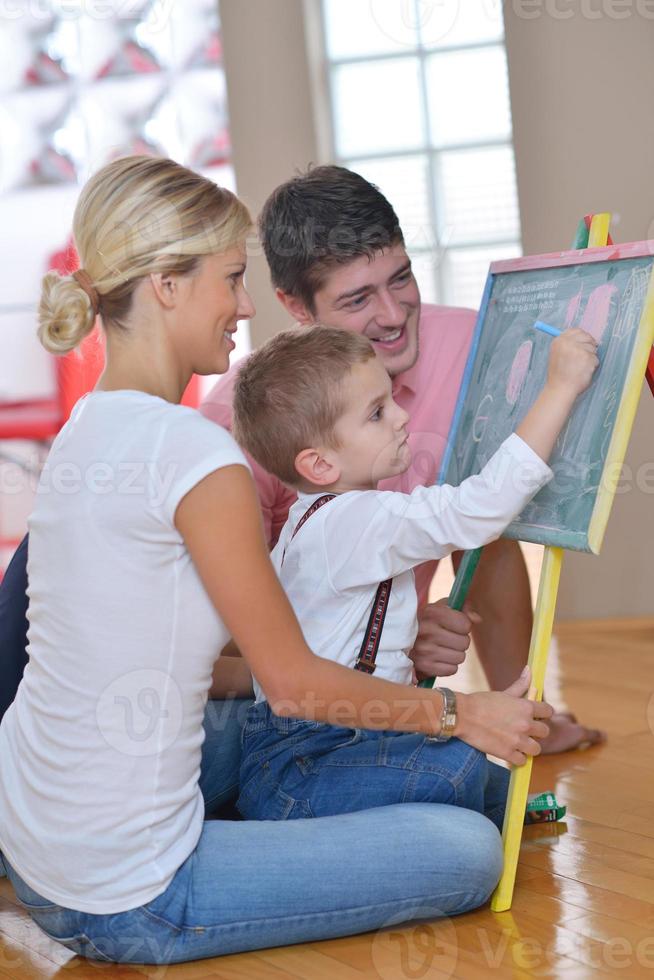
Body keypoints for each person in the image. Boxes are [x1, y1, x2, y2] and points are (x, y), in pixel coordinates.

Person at [0, 155, 551, 966]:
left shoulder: (87, 426)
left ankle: (282, 827)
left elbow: (213, 660)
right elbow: (290, 682)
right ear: (165, 284)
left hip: (33, 840)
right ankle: (278, 837)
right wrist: (458, 714)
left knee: (268, 731)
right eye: (230, 278)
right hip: (135, 894)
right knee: (466, 848)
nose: (246, 306)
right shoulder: (200, 455)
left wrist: (389, 635)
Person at [202, 165, 605, 754]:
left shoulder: (476, 343)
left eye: (401, 278)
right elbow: (222, 641)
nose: (393, 315)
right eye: (359, 298)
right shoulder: (240, 425)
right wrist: (385, 650)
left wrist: (401, 634)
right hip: (289, 698)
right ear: (296, 306)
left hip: (386, 650)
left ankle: (527, 710)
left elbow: (486, 515)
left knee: (488, 530)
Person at [231, 325, 597, 827]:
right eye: (378, 413)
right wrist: (560, 387)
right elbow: (480, 509)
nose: (403, 417)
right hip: (309, 762)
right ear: (319, 463)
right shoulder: (353, 520)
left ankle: (477, 809)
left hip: (328, 745)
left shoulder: (313, 520)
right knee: (459, 770)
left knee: (490, 781)